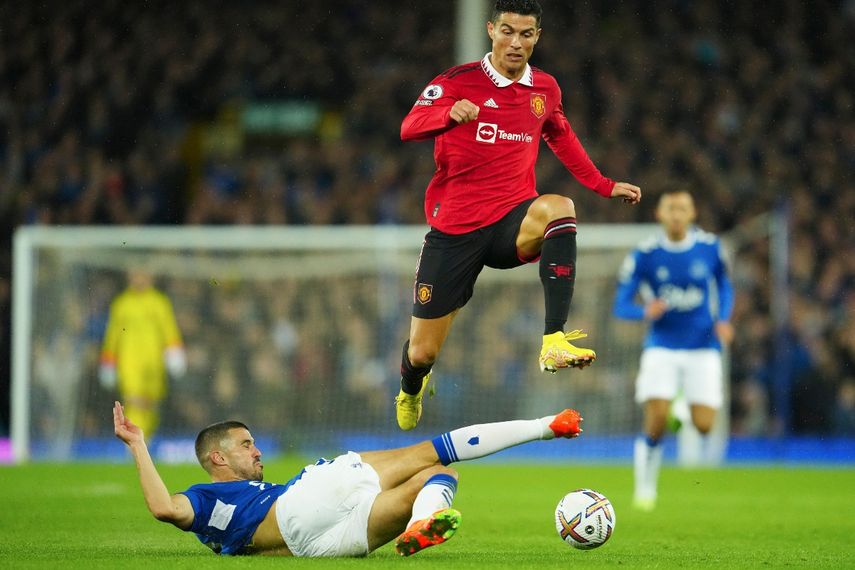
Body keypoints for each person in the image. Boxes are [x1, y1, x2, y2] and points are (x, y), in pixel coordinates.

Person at [395, 0, 641, 430]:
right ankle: (411, 385)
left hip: (512, 219)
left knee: (560, 208)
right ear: (491, 30)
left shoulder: (544, 89)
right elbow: (409, 126)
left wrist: (603, 185)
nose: (515, 42)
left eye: (526, 34)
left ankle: (553, 340)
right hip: (454, 229)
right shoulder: (457, 81)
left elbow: (561, 137)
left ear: (537, 38)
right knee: (423, 352)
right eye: (507, 31)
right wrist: (446, 114)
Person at [113, 401, 583, 557]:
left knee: (436, 477)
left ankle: (425, 521)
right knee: (429, 452)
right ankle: (546, 426)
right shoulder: (207, 495)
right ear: (215, 457)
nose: (257, 451)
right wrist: (138, 445)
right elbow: (162, 507)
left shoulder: (214, 518)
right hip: (303, 501)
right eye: (245, 444)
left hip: (318, 545)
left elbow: (176, 515)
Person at [612, 189, 734, 510]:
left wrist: (723, 318)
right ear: (659, 214)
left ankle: (682, 402)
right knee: (656, 420)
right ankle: (645, 490)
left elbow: (724, 284)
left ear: (692, 213)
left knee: (705, 424)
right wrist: (644, 311)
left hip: (703, 345)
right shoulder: (646, 254)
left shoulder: (709, 247)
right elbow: (620, 304)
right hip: (662, 346)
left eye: (683, 208)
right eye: (671, 208)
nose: (677, 214)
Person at [100, 269, 186, 438]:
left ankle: (145, 439)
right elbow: (112, 335)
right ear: (128, 277)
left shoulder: (159, 302)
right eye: (135, 274)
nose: (138, 278)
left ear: (150, 277)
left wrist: (175, 353)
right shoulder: (121, 303)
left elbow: (169, 329)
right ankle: (134, 442)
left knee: (151, 404)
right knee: (133, 400)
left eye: (142, 274)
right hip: (129, 362)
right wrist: (108, 362)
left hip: (154, 362)